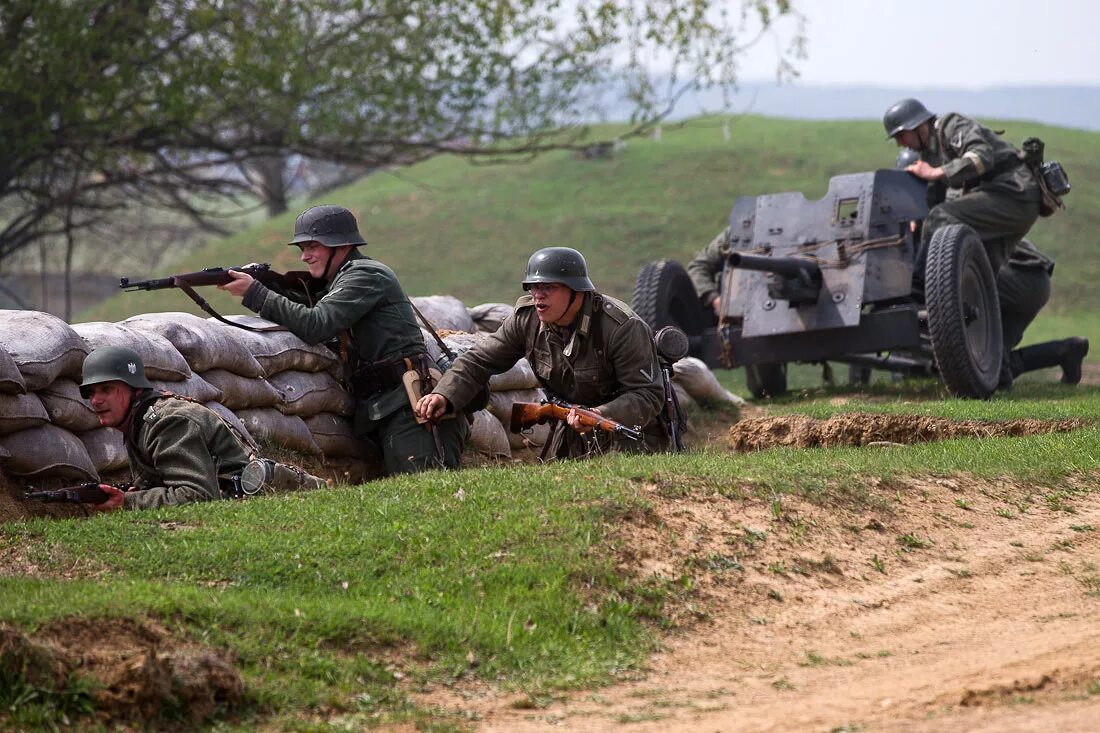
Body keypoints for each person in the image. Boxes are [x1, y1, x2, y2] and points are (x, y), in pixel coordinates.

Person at [219, 204, 467, 475]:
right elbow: (309, 306)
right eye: (302, 248)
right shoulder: (341, 280)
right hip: (388, 406)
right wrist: (267, 285)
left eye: (313, 246)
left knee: (427, 495)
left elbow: (316, 324)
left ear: (340, 245)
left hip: (411, 406)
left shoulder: (365, 275)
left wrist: (256, 293)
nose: (305, 256)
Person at [414, 247, 667, 458]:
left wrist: (601, 414)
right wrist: (445, 395)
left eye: (549, 287)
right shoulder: (527, 320)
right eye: (533, 287)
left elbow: (648, 394)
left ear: (576, 291)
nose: (537, 295)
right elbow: (478, 361)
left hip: (631, 432)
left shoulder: (620, 328)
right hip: (572, 432)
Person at [895, 148, 1089, 386]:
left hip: (1015, 275)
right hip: (1032, 280)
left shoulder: (944, 215)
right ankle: (1065, 351)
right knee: (996, 369)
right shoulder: (947, 208)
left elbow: (945, 291)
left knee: (954, 308)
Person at [79, 346, 325, 512]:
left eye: (106, 389)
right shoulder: (139, 421)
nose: (96, 400)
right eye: (90, 393)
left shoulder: (167, 423)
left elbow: (198, 496)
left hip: (277, 496)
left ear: (134, 390)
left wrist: (129, 502)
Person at [883, 97, 1040, 277]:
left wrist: (937, 172)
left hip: (1014, 193)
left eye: (901, 136)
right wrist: (914, 219)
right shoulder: (929, 154)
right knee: (981, 272)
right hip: (1004, 202)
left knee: (939, 218)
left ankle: (919, 283)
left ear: (917, 126)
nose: (900, 144)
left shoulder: (951, 125)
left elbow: (981, 158)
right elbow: (933, 199)